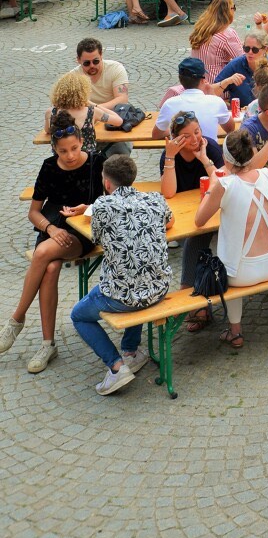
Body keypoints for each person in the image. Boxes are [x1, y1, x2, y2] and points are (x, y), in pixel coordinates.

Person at [0, 119, 107, 373]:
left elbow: (111, 203)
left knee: (43, 252)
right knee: (49, 268)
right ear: (54, 150)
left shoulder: (97, 162)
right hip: (54, 228)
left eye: (73, 148)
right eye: (62, 151)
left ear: (82, 142)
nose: (69, 155)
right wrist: (51, 228)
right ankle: (48, 344)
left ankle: (17, 319)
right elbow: (34, 212)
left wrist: (86, 210)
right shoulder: (49, 167)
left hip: (83, 230)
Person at [69, 153, 172, 394]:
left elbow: (95, 239)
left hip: (123, 296)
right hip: (159, 288)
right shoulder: (155, 200)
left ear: (107, 183)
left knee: (79, 315)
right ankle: (130, 351)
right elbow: (169, 220)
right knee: (135, 273)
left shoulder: (103, 206)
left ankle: (116, 367)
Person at [194, 129, 268, 349]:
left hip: (241, 274)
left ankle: (234, 330)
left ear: (225, 159)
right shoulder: (265, 175)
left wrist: (210, 190)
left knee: (215, 249)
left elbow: (199, 220)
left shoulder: (225, 186)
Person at [158, 110, 224, 297]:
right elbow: (169, 193)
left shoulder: (209, 147)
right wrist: (170, 156)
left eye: (197, 131)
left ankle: (188, 291)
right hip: (183, 214)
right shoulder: (170, 154)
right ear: (175, 138)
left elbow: (221, 184)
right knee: (194, 241)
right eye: (186, 136)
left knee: (196, 240)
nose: (195, 139)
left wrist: (204, 159)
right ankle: (198, 294)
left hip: (209, 208)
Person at [154, 56, 234, 142]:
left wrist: (175, 129)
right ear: (203, 79)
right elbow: (230, 129)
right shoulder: (216, 102)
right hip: (209, 153)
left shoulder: (169, 104)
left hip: (180, 154)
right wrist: (213, 95)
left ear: (180, 80)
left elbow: (156, 134)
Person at [189, 0, 244, 84]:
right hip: (218, 84)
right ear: (228, 11)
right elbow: (242, 60)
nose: (234, 11)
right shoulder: (227, 34)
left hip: (197, 82)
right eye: (233, 8)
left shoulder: (201, 29)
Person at [76, 37, 130, 119]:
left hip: (114, 115)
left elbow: (122, 99)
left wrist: (95, 110)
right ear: (78, 60)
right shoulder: (73, 77)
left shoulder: (116, 68)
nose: (92, 66)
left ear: (101, 55)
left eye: (96, 61)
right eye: (87, 63)